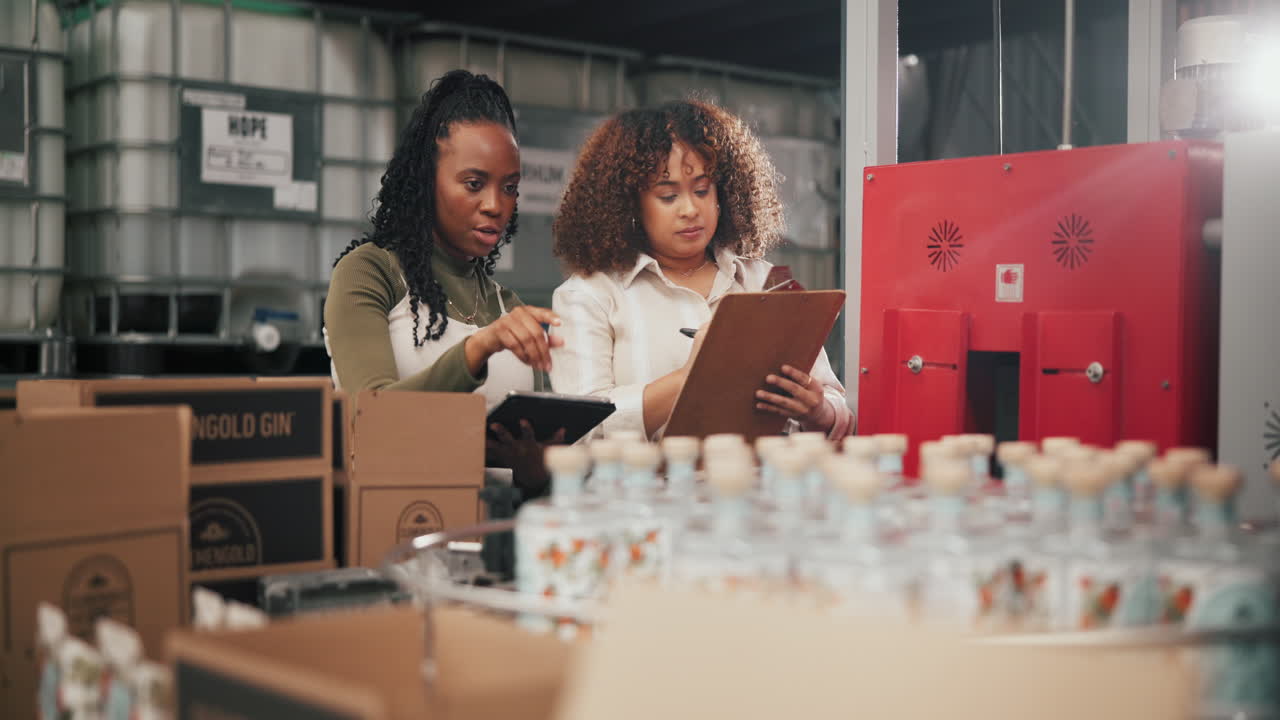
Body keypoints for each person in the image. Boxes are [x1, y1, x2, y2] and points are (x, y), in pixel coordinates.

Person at [548, 99, 855, 441]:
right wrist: (689, 377)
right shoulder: (588, 296)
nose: (690, 209)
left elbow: (837, 409)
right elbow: (580, 429)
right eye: (668, 196)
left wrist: (819, 411)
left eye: (701, 190)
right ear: (629, 205)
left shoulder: (765, 281)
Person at [323, 70, 563, 495]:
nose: (495, 205)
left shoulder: (509, 307)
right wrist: (478, 348)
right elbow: (372, 418)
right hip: (396, 519)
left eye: (510, 187)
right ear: (426, 179)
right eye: (474, 184)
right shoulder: (369, 273)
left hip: (496, 527)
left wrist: (537, 472)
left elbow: (541, 479)